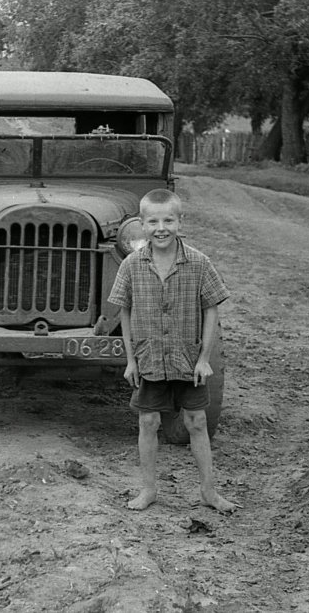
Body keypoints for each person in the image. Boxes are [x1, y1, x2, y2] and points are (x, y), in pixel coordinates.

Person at [107, 188, 239, 513]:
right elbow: (124, 310)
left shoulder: (198, 262)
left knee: (196, 422)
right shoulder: (131, 265)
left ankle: (209, 491)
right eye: (153, 221)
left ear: (181, 222)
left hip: (187, 361)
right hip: (150, 361)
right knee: (148, 423)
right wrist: (130, 360)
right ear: (142, 224)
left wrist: (205, 358)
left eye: (168, 220)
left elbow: (211, 308)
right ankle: (149, 490)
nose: (161, 228)